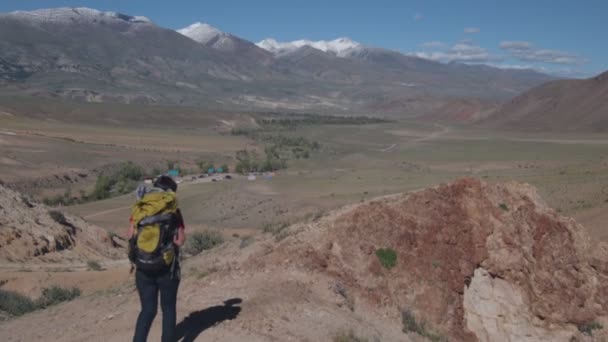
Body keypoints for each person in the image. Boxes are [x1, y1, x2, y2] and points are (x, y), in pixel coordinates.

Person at [127, 175, 186, 342]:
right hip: (167, 268)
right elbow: (180, 241)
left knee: (147, 310)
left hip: (143, 267)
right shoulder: (174, 210)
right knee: (168, 309)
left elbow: (130, 235)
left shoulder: (141, 208)